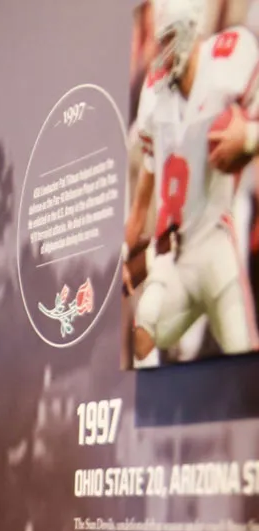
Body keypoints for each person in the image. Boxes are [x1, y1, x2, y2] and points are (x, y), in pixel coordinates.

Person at [126, 0, 259, 361]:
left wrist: (246, 136)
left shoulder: (233, 57)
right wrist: (132, 232)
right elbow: (146, 173)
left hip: (221, 232)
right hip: (178, 249)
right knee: (149, 340)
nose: (164, 51)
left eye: (170, 37)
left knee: (240, 351)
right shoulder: (155, 95)